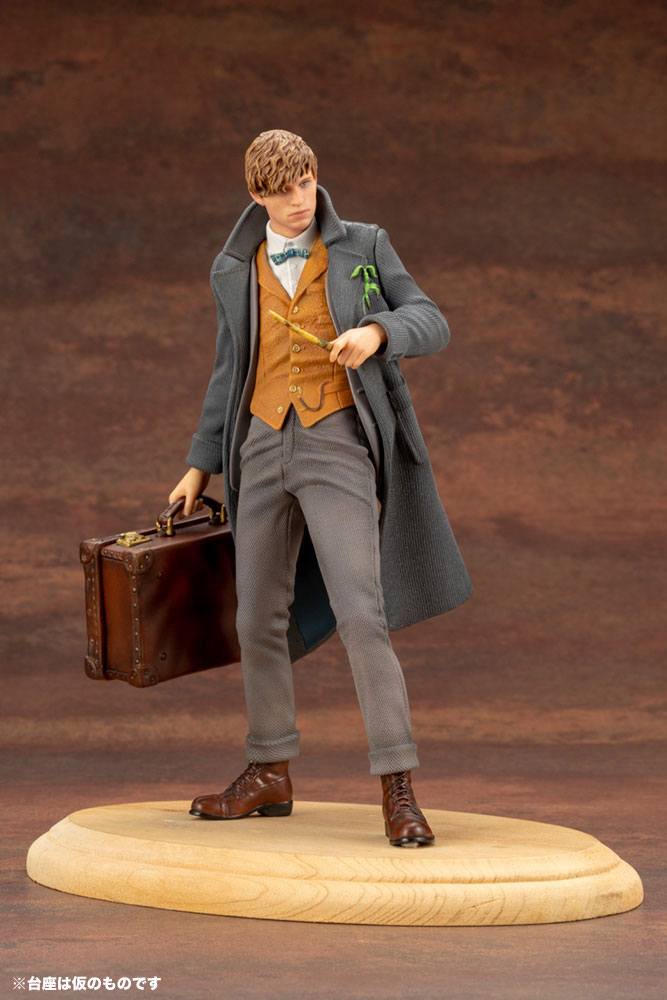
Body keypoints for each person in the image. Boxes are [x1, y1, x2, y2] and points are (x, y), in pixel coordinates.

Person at [169, 129, 473, 847]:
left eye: (303, 183)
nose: (298, 200)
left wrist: (378, 332)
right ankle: (268, 768)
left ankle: (397, 784)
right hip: (259, 446)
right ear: (256, 195)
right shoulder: (233, 267)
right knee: (255, 617)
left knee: (362, 611)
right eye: (280, 191)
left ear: (315, 175)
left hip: (336, 443)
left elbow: (431, 320)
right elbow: (228, 369)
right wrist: (200, 464)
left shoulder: (364, 245)